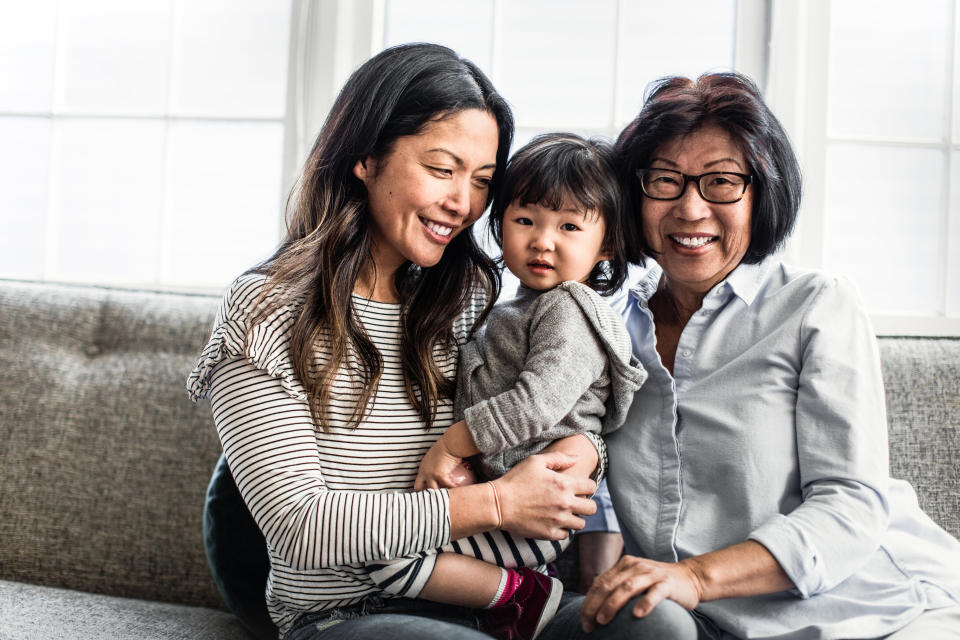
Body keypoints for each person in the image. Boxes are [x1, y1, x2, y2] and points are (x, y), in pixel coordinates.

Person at [187, 43, 697, 640]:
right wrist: (499, 504)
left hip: (493, 589)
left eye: (482, 181)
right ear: (365, 157)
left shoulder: (468, 301)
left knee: (655, 624)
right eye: (441, 169)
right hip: (350, 613)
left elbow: (547, 414)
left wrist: (583, 453)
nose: (462, 204)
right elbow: (300, 525)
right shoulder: (267, 311)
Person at [577, 72, 960, 639]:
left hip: (878, 609)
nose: (690, 208)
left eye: (722, 182)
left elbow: (851, 504)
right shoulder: (603, 329)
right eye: (665, 180)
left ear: (763, 193)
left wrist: (696, 577)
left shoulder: (815, 306)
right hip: (703, 623)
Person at [364, 133, 647, 640]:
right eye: (525, 221)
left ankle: (530, 598)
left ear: (607, 244)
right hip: (500, 501)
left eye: (568, 226)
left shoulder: (571, 310)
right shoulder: (511, 309)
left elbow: (536, 405)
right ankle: (503, 602)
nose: (543, 240)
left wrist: (452, 446)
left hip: (535, 516)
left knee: (388, 558)